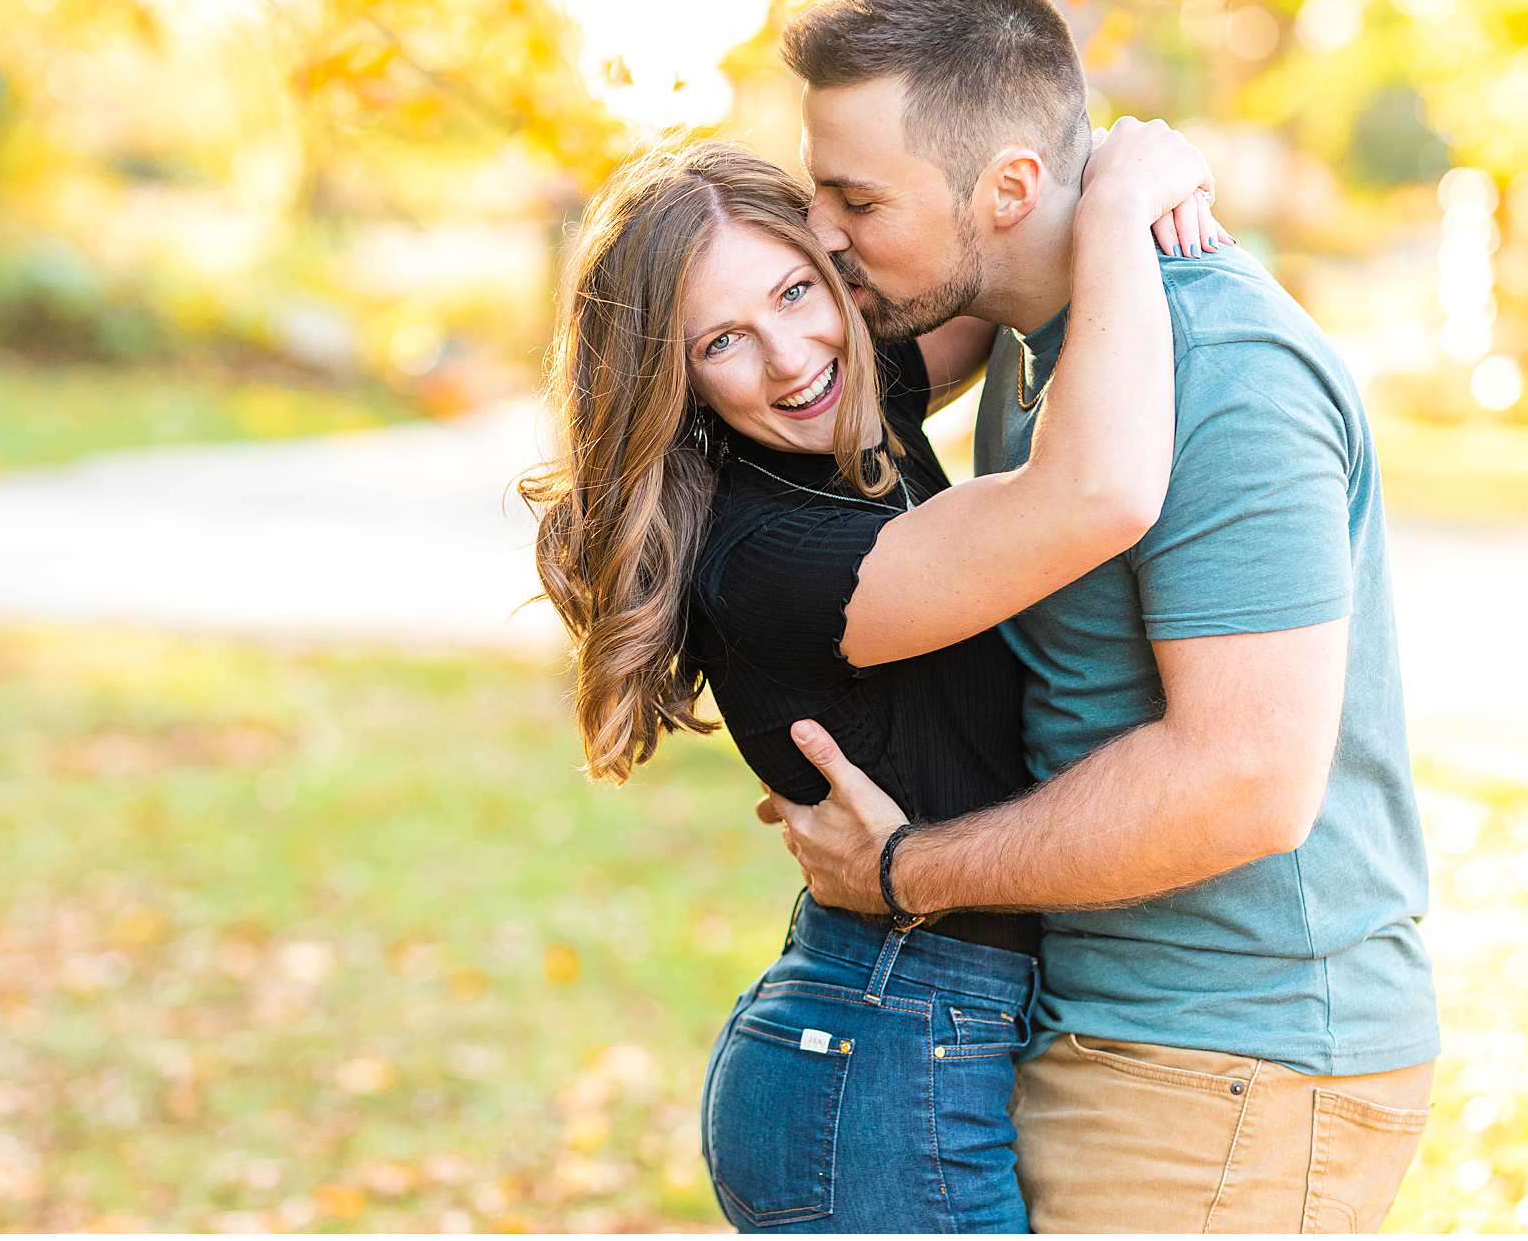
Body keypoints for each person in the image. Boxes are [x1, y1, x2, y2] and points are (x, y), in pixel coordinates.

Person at [761, 0, 1441, 1233]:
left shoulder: (1217, 367)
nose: (823, 233)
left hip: (1233, 1058)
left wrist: (907, 868)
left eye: (857, 197)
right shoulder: (1048, 335)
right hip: (1122, 1032)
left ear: (1010, 187)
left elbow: (1246, 775)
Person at [522, 118, 1222, 1231]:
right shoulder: (758, 554)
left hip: (908, 1032)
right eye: (721, 342)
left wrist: (1127, 158)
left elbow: (989, 276)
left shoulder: (846, 404)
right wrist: (1110, 212)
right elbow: (1098, 492)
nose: (788, 358)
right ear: (675, 380)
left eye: (795, 294)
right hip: (880, 1057)